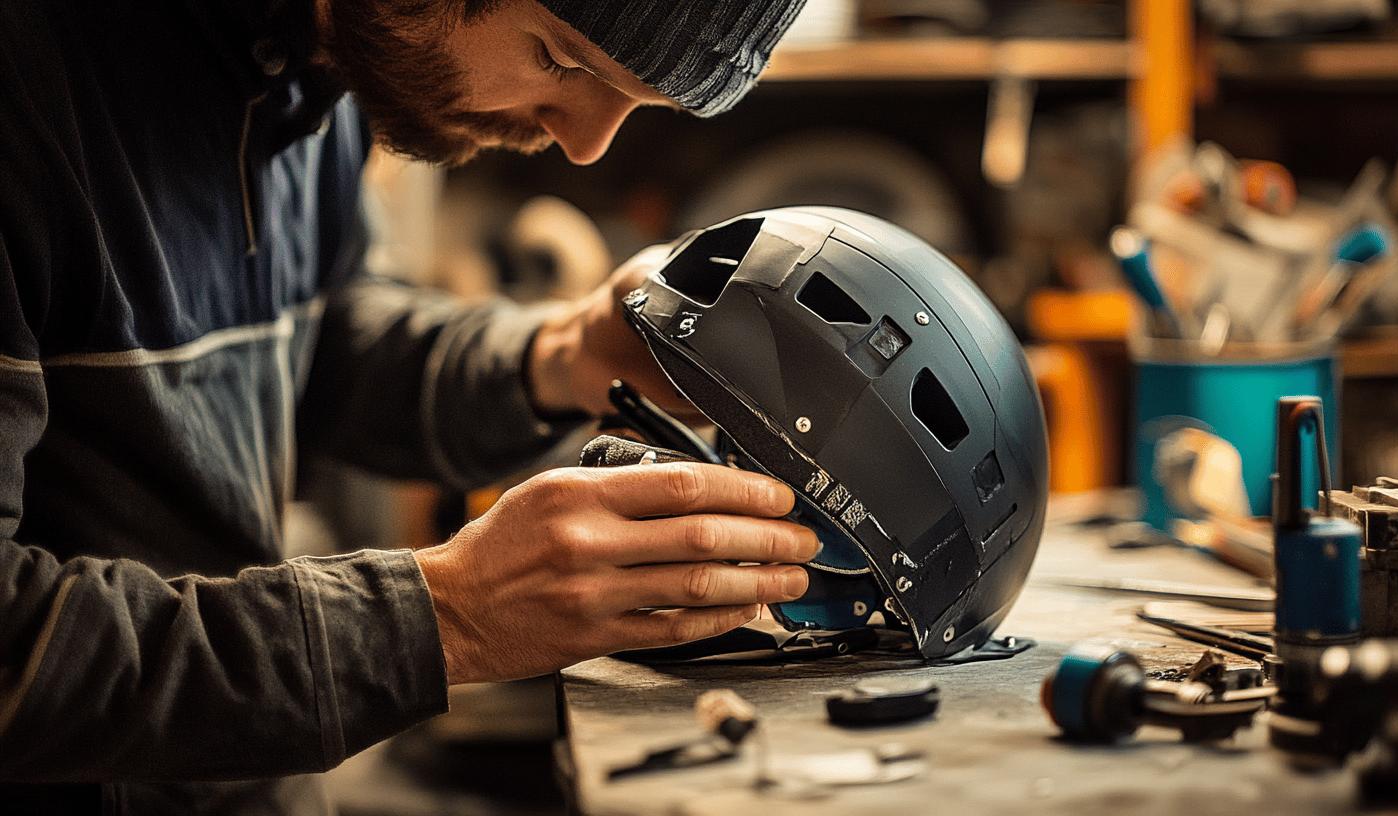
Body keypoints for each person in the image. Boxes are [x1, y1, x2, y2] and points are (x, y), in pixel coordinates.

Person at [0, 0, 810, 812]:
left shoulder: (311, 60)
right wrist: (447, 618)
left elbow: (327, 343)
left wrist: (568, 357)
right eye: (560, 59)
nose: (587, 144)